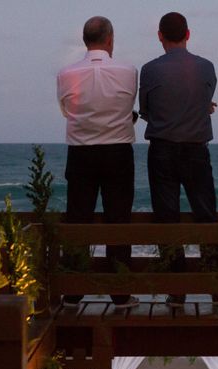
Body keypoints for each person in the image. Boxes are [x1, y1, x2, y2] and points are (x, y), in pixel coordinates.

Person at [139, 12, 218, 307]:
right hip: (196, 149)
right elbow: (203, 100)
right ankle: (217, 287)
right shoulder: (207, 67)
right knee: (206, 215)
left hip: (162, 150)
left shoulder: (150, 70)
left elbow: (147, 111)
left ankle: (176, 290)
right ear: (188, 34)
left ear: (160, 35)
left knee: (167, 219)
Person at [57, 16, 139, 309]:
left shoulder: (66, 74)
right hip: (118, 151)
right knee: (119, 220)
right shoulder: (129, 71)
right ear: (109, 39)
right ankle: (119, 292)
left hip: (81, 152)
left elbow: (68, 111)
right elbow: (127, 106)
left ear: (84, 40)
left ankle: (73, 291)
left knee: (78, 219)